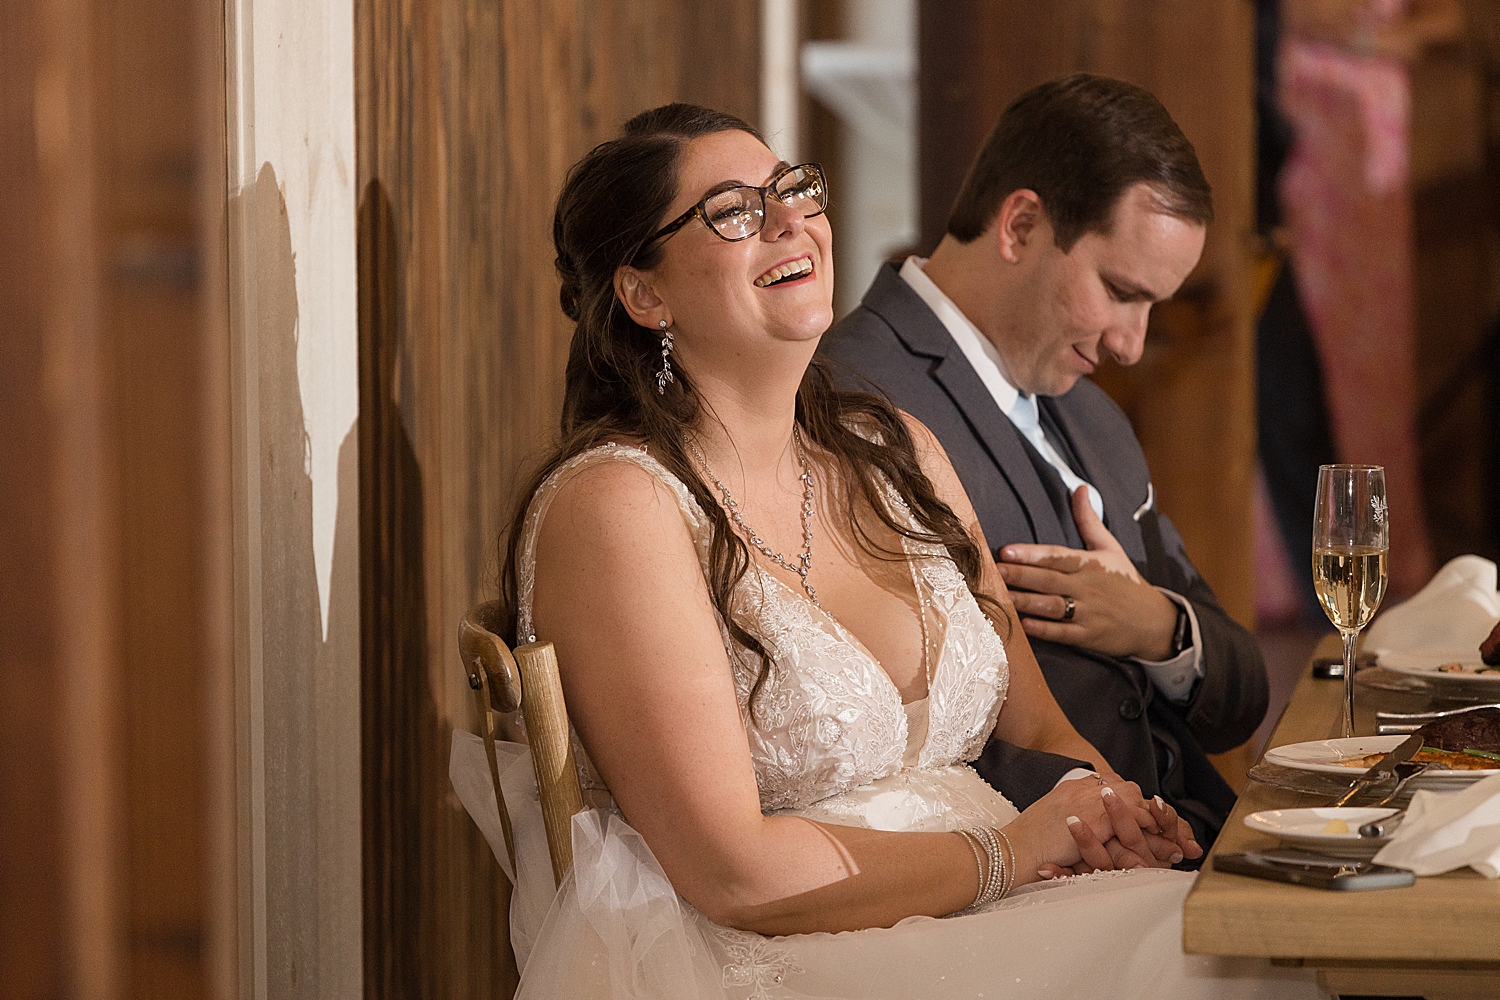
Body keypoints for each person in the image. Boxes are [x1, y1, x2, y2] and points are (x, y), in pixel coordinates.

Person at [468, 102, 1316, 999]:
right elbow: (733, 874)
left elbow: (1038, 726)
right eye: (733, 210)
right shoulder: (617, 506)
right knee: (1228, 971)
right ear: (645, 293)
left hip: (1001, 905)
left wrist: (1114, 813)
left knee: (1262, 942)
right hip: (799, 952)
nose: (792, 218)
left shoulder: (895, 449)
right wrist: (1013, 850)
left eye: (793, 189)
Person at [820, 75, 1269, 853]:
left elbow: (1242, 694)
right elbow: (877, 723)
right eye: (1120, 291)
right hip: (1051, 867)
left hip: (1199, 837)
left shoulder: (1094, 413)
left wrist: (1158, 627)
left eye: (1154, 305)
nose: (1132, 343)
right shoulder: (853, 393)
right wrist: (1108, 821)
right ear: (1021, 224)